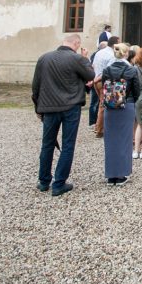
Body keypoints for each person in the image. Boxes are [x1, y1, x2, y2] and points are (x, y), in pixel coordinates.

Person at [32, 34, 94, 196]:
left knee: (47, 144)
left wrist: (38, 108)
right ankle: (59, 183)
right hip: (70, 107)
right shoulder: (77, 59)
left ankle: (44, 181)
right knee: (68, 145)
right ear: (76, 43)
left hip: (49, 107)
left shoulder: (44, 58)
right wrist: (85, 58)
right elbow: (91, 76)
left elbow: (36, 86)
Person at [102, 42, 139, 186]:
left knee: (110, 141)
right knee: (124, 140)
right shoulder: (131, 71)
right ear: (126, 54)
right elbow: (137, 91)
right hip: (126, 105)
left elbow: (104, 87)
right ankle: (121, 174)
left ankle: (111, 175)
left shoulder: (107, 70)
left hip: (110, 107)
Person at [92, 35, 121, 137]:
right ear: (115, 44)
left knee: (101, 103)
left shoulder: (99, 52)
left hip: (96, 80)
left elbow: (93, 66)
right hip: (104, 81)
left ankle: (98, 128)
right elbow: (108, 71)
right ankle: (99, 130)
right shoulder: (112, 55)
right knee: (103, 106)